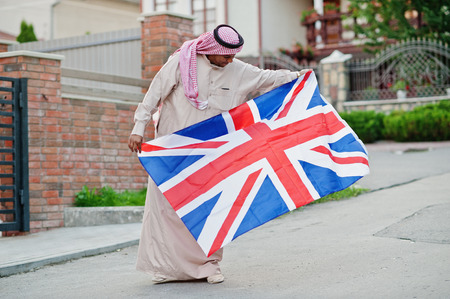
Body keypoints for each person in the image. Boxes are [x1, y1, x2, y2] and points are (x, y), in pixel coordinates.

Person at [128, 24, 310, 284]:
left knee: (210, 207)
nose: (230, 59)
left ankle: (209, 266)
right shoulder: (181, 61)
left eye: (233, 55)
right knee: (169, 208)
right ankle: (167, 268)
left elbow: (267, 78)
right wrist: (138, 127)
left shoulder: (238, 70)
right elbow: (153, 94)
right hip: (173, 149)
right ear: (210, 50)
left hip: (212, 154)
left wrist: (299, 76)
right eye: (225, 55)